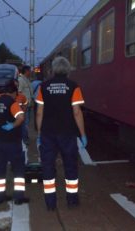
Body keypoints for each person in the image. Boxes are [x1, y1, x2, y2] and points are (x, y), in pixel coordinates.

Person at [35, 57, 87, 211]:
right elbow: (77, 112)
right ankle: (72, 201)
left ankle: (50, 204)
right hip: (68, 134)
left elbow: (39, 112)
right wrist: (83, 134)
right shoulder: (73, 86)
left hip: (48, 134)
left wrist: (39, 134)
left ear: (53, 69)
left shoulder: (43, 87)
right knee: (70, 166)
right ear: (67, 69)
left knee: (48, 167)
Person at [0, 81, 30, 205]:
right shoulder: (12, 103)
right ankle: (18, 197)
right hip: (12, 142)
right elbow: (21, 117)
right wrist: (12, 125)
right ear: (12, 92)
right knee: (18, 169)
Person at [18, 65, 33, 145]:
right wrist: (22, 106)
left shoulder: (26, 79)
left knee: (26, 123)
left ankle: (25, 137)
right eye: (29, 70)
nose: (30, 72)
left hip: (28, 105)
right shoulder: (21, 80)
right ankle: (24, 139)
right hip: (24, 106)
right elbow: (19, 93)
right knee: (25, 123)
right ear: (26, 71)